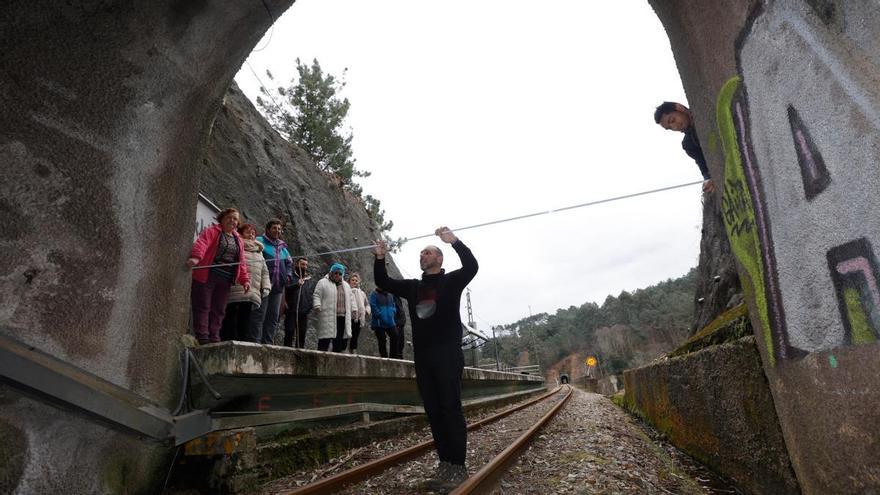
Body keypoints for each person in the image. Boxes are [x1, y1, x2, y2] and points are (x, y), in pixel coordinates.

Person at [373, 227, 478, 491]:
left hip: (447, 354)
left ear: (439, 259)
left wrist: (454, 241)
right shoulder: (413, 287)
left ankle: (458, 467)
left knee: (450, 409)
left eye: (428, 251)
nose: (423, 254)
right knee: (433, 411)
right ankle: (445, 464)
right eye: (421, 252)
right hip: (424, 357)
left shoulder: (452, 281)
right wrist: (379, 257)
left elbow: (472, 266)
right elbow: (384, 281)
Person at [187, 208, 250, 344]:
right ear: (222, 218)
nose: (232, 221)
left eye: (235, 219)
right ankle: (203, 337)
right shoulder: (212, 231)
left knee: (219, 309)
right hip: (207, 275)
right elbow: (202, 243)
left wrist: (244, 280)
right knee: (203, 306)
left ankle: (214, 337)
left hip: (226, 279)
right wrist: (196, 258)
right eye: (229, 217)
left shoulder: (238, 239)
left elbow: (241, 261)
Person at [220, 224, 271, 342]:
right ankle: (227, 339)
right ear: (241, 233)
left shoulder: (259, 253)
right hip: (235, 287)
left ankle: (242, 341)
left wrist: (266, 286)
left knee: (246, 316)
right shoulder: (236, 246)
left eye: (253, 233)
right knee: (230, 314)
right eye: (248, 232)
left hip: (252, 289)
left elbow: (265, 272)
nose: (251, 235)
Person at [654, 101, 715, 193]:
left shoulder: (703, 108)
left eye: (672, 120)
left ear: (679, 108)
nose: (675, 127)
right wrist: (708, 181)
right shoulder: (689, 144)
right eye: (670, 128)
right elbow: (704, 168)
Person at [254, 219, 292, 345]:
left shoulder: (283, 248)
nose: (277, 231)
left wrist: (288, 275)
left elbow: (289, 264)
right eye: (275, 228)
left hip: (277, 288)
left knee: (273, 317)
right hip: (262, 285)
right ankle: (255, 342)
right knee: (259, 315)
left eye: (279, 229)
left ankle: (268, 343)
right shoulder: (259, 241)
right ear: (268, 229)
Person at [312, 263, 354, 352]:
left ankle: (336, 361)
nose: (337, 275)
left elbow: (351, 298)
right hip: (328, 315)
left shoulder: (346, 285)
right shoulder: (323, 282)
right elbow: (317, 295)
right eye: (336, 273)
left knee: (338, 341)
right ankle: (319, 360)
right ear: (331, 272)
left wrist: (354, 309)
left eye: (340, 273)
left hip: (342, 317)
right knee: (324, 339)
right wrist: (317, 305)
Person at [283, 257, 317, 348]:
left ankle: (299, 354)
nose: (304, 266)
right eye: (302, 264)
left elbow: (311, 294)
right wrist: (296, 285)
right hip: (291, 309)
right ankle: (286, 352)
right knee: (289, 332)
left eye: (306, 265)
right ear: (296, 264)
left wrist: (309, 307)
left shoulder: (309, 280)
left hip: (303, 311)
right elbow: (286, 289)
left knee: (301, 334)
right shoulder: (290, 276)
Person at [369, 286, 399, 358]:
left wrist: (393, 311)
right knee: (382, 339)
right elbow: (373, 306)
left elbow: (393, 305)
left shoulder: (390, 295)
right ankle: (384, 357)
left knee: (395, 335)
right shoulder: (374, 294)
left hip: (390, 321)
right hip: (379, 322)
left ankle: (393, 357)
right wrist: (379, 314)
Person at [348, 273, 370, 355]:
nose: (354, 282)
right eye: (353, 280)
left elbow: (367, 304)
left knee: (355, 336)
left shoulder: (362, 293)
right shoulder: (346, 290)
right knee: (345, 335)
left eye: (356, 280)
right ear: (349, 281)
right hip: (348, 316)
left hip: (359, 318)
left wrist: (367, 311)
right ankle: (342, 350)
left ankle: (352, 351)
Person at [394, 294, 407, 359]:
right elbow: (395, 310)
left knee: (401, 342)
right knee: (398, 341)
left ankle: (399, 355)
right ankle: (397, 356)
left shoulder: (397, 297)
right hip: (397, 323)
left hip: (401, 323)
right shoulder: (392, 296)